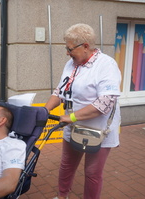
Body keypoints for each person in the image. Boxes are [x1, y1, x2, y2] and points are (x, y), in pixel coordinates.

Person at [45, 23, 121, 199]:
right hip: (72, 126)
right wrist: (45, 109)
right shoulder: (72, 64)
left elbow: (104, 103)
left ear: (85, 46)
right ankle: (62, 196)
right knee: (67, 164)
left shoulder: (106, 65)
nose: (67, 52)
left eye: (69, 48)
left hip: (98, 130)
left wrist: (71, 117)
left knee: (92, 173)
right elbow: (60, 91)